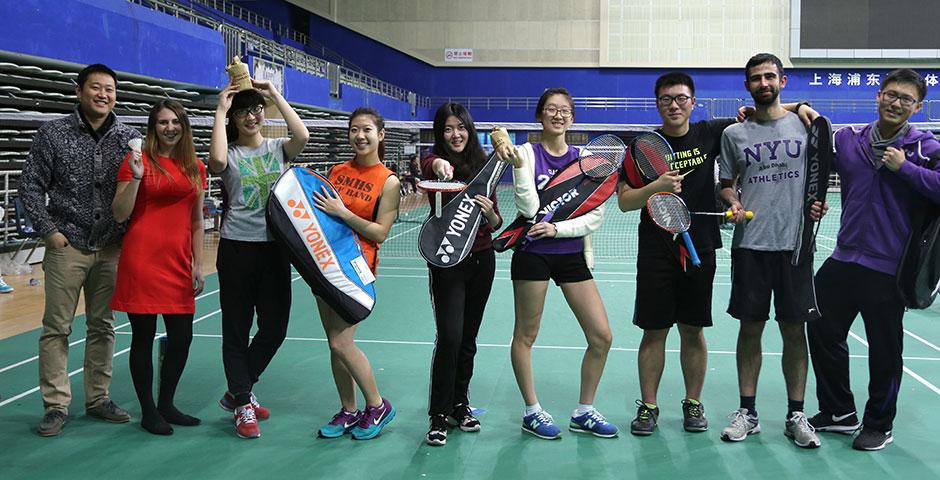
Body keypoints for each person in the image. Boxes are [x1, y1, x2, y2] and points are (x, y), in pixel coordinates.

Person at [618, 72, 819, 436]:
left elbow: (765, 111)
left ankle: (693, 403)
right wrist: (655, 187)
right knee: (654, 331)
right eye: (666, 99)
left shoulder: (710, 132)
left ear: (693, 103)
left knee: (693, 331)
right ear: (657, 104)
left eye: (681, 98)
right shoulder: (642, 146)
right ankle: (648, 406)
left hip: (702, 248)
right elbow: (624, 202)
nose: (674, 105)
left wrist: (800, 106)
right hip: (656, 251)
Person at [808, 69, 940, 451]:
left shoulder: (925, 148)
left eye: (906, 99)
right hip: (845, 257)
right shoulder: (850, 140)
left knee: (885, 350)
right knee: (819, 326)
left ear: (918, 107)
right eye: (891, 95)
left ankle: (879, 423)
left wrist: (906, 170)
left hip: (889, 266)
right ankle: (838, 411)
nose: (897, 103)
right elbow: (816, 153)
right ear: (879, 95)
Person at [22, 63, 140, 437]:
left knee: (103, 326)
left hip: (110, 248)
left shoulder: (129, 137)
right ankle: (56, 405)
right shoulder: (52, 134)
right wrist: (50, 233)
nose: (103, 94)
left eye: (110, 89)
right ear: (79, 91)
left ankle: (98, 398)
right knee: (56, 328)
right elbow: (29, 187)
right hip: (67, 245)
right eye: (96, 88)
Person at [494, 88, 618, 440]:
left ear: (573, 117)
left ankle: (584, 411)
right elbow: (529, 211)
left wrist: (558, 228)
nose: (558, 115)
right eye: (551, 109)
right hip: (532, 254)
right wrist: (518, 167)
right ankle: (532, 411)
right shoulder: (526, 154)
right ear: (540, 115)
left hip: (571, 253)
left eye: (565, 110)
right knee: (526, 334)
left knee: (601, 336)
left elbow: (595, 215)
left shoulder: (586, 159)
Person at [718, 53, 825, 448]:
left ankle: (796, 414)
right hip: (750, 245)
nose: (763, 83)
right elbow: (727, 183)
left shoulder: (806, 124)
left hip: (795, 245)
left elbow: (817, 176)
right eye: (755, 79)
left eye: (769, 77)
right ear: (747, 86)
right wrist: (730, 199)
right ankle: (748, 411)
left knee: (795, 331)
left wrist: (816, 203)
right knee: (751, 328)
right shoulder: (734, 135)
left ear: (783, 80)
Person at [208, 80, 310, 439]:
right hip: (237, 248)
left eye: (255, 110)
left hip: (276, 248)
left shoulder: (278, 148)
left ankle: (239, 391)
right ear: (234, 118)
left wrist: (275, 95)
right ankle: (242, 403)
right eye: (242, 112)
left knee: (274, 329)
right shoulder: (231, 153)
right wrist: (221, 110)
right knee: (236, 329)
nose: (250, 117)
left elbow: (304, 134)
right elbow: (216, 161)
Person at [111, 100, 207, 435]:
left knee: (182, 338)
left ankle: (167, 402)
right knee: (143, 337)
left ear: (184, 126)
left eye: (175, 122)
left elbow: (197, 220)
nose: (169, 128)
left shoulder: (195, 165)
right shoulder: (136, 161)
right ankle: (149, 411)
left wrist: (198, 264)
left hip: (178, 262)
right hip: (142, 259)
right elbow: (120, 213)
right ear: (153, 128)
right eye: (163, 122)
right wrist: (136, 178)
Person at [314, 107, 401, 441]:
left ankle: (377, 405)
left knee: (341, 342)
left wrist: (343, 212)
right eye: (353, 130)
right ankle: (349, 410)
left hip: (355, 270)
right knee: (333, 344)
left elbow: (380, 233)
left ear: (380, 135)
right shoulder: (336, 171)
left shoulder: (388, 181)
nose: (360, 136)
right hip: (324, 264)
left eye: (366, 129)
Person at [420, 102, 502, 446]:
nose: (456, 134)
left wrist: (491, 215)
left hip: (482, 260)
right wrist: (440, 165)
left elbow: (496, 221)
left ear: (470, 130)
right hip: (447, 263)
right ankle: (438, 414)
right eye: (449, 129)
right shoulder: (432, 162)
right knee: (450, 336)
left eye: (461, 127)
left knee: (468, 338)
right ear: (441, 134)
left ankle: (459, 404)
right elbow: (430, 164)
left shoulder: (485, 167)